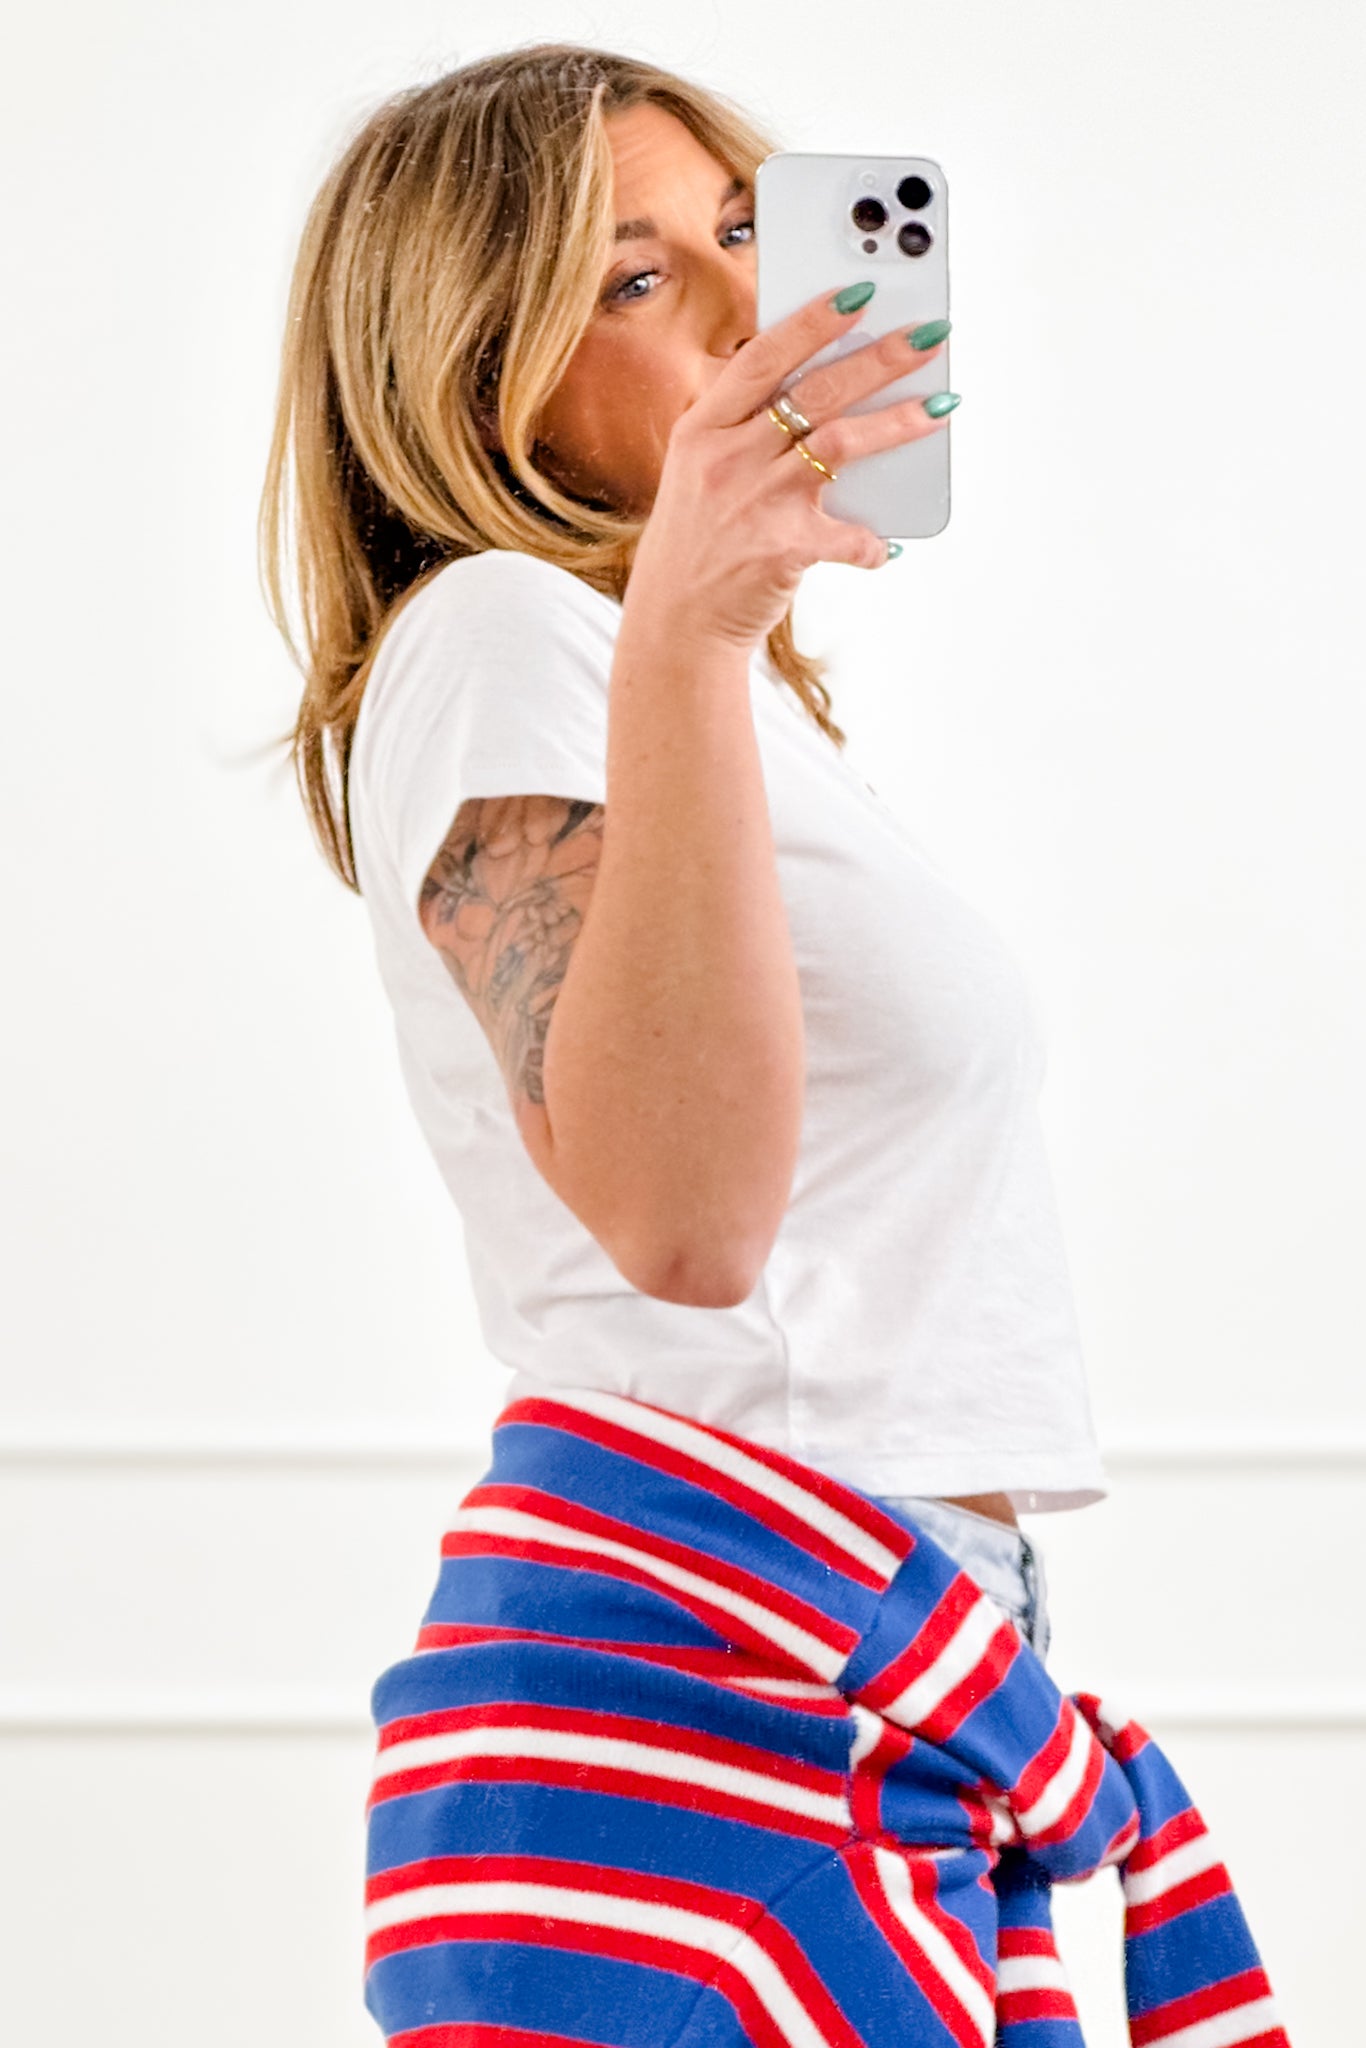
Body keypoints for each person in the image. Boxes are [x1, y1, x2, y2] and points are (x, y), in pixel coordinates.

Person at [259, 41, 1290, 2048]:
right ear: (473, 381)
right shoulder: (508, 637)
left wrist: (695, 646)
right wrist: (689, 627)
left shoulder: (672, 683)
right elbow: (682, 1220)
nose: (748, 307)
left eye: (745, 225)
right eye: (637, 277)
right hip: (719, 1668)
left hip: (858, 1649)